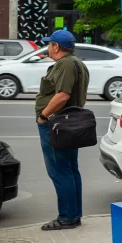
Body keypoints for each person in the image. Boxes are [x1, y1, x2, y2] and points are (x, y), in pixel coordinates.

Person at [36, 30, 89, 231]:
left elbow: (62, 96)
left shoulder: (65, 64)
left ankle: (67, 217)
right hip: (68, 124)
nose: (48, 47)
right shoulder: (77, 63)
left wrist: (43, 116)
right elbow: (81, 98)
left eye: (49, 44)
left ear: (56, 46)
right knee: (70, 169)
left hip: (57, 125)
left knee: (60, 170)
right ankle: (74, 215)